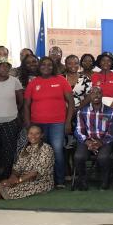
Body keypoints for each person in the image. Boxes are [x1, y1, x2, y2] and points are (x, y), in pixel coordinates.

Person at [23, 56, 74, 189]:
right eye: (43, 64)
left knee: (57, 150)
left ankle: (60, 181)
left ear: (54, 67)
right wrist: (28, 124)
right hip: (37, 123)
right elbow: (26, 104)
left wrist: (68, 122)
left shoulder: (61, 80)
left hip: (57, 123)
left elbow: (71, 102)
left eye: (49, 65)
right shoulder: (33, 82)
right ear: (39, 67)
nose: (46, 67)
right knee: (39, 151)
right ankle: (41, 180)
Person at [74, 86, 113, 190]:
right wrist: (87, 141)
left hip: (104, 141)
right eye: (93, 93)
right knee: (79, 157)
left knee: (103, 157)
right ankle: (82, 180)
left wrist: (101, 142)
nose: (96, 95)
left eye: (99, 92)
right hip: (87, 141)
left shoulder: (111, 112)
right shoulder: (81, 111)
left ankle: (105, 180)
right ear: (89, 96)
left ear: (102, 95)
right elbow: (78, 130)